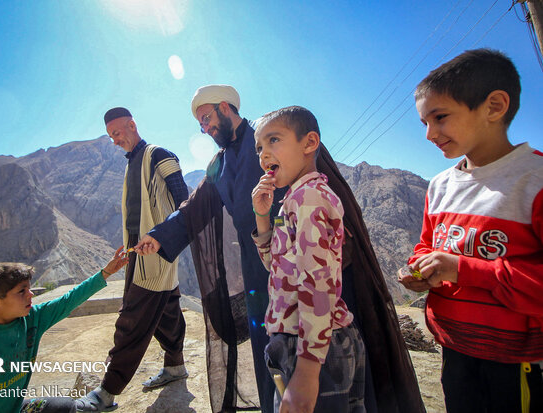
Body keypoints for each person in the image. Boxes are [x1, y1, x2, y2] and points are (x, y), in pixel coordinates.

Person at [135, 85, 425, 413]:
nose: (205, 129)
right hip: (264, 270)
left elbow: (320, 183)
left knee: (329, 369)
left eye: (207, 119)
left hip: (318, 269)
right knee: (275, 353)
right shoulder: (218, 164)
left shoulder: (275, 136)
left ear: (224, 107)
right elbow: (194, 207)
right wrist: (159, 236)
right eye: (200, 125)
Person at [400, 48, 543, 413]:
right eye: (423, 123)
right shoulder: (440, 186)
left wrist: (462, 269)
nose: (430, 133)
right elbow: (428, 246)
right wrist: (421, 270)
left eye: (441, 117)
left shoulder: (534, 181)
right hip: (454, 349)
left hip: (515, 362)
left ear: (494, 106)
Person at [251, 106, 366, 413]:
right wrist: (262, 216)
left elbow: (318, 283)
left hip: (312, 349)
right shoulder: (293, 199)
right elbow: (275, 267)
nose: (263, 154)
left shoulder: (309, 199)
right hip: (306, 346)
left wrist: (308, 369)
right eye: (259, 147)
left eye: (274, 140)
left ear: (309, 142)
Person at [75, 107, 189, 412]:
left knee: (131, 321)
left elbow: (185, 201)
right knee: (167, 312)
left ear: (132, 125)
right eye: (111, 136)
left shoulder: (158, 154)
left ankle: (106, 393)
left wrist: (162, 236)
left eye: (117, 133)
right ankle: (176, 366)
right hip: (140, 255)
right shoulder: (133, 163)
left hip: (156, 256)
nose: (115, 141)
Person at [0, 248, 129, 413]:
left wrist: (106, 273)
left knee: (65, 407)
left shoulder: (32, 319)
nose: (31, 295)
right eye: (22, 291)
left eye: (29, 289)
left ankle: (90, 404)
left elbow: (68, 301)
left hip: (17, 408)